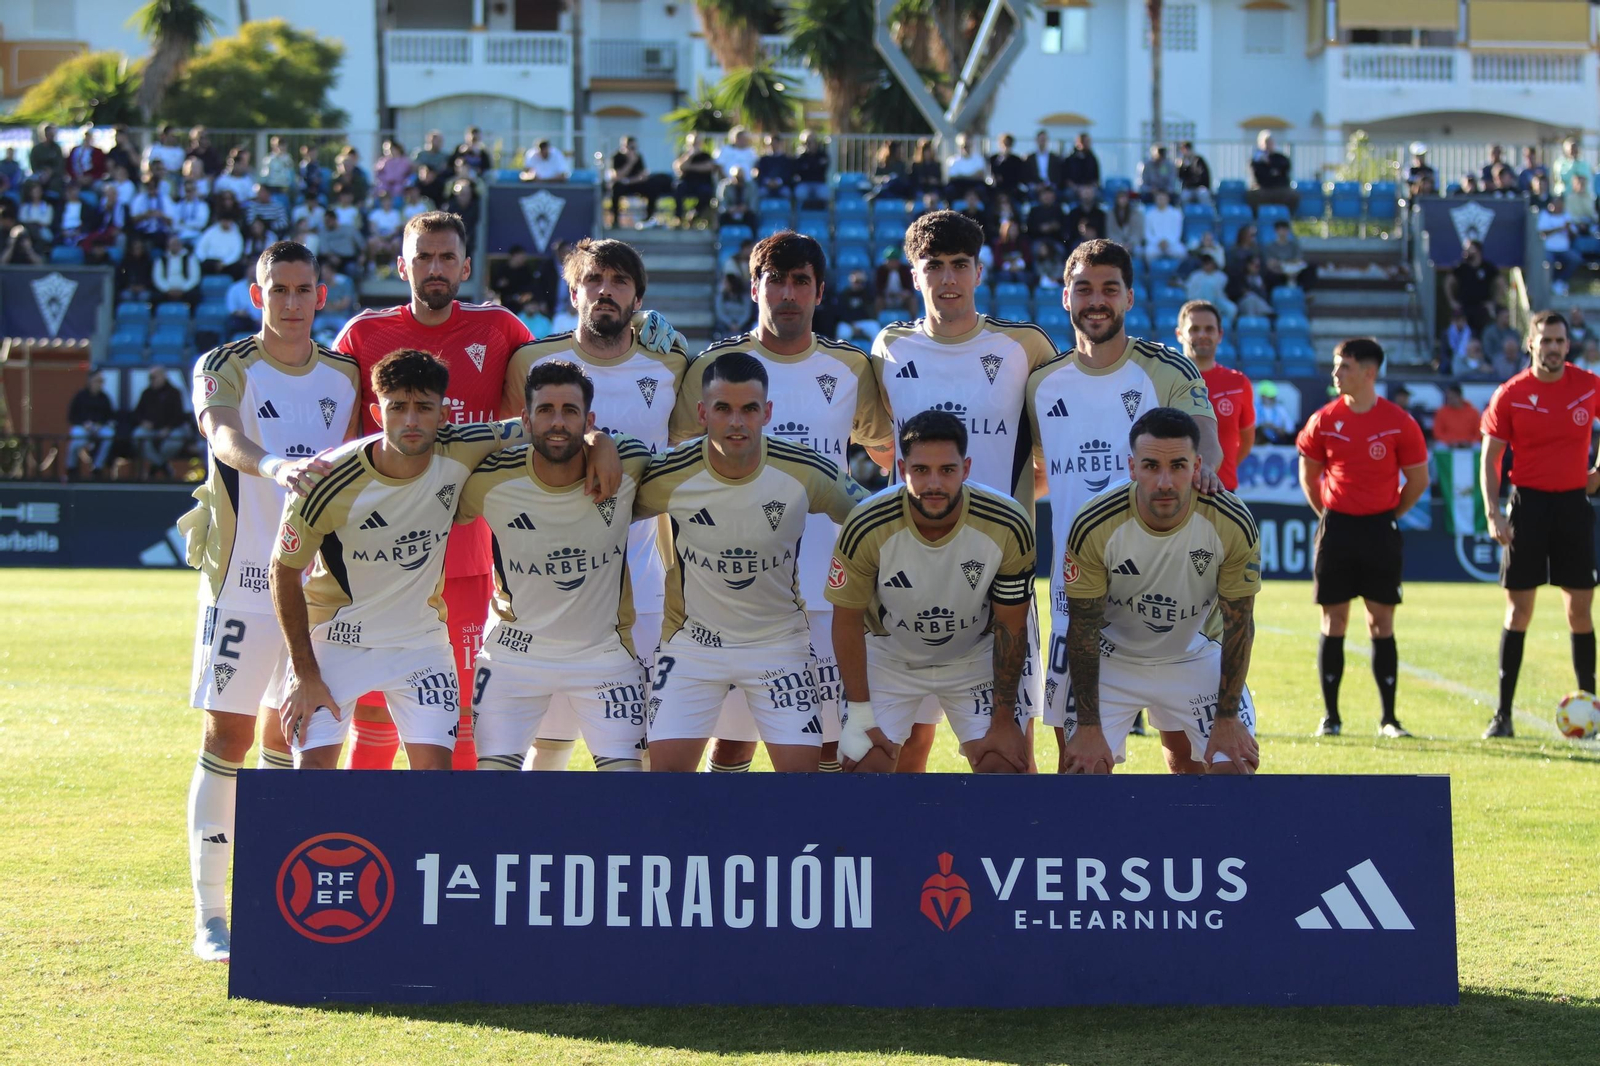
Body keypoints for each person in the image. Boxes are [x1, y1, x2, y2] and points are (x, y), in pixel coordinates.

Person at [181, 240, 361, 963]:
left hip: (318, 594)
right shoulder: (225, 365)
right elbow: (222, 436)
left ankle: (271, 899)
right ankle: (212, 916)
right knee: (227, 739)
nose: (290, 301)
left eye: (303, 289)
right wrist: (273, 463)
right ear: (258, 296)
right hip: (240, 587)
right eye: (277, 289)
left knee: (293, 739)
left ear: (322, 296)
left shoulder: (347, 377)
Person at [674, 233, 895, 774]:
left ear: (820, 292)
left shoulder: (850, 367)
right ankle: (732, 847)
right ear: (755, 288)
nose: (788, 294)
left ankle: (814, 850)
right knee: (732, 740)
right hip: (733, 590)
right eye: (776, 281)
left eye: (801, 282)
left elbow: (889, 453)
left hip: (828, 585)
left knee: (825, 739)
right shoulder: (717, 365)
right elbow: (677, 460)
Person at [332, 212, 537, 770]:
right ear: (402, 265)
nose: (436, 268)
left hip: (467, 555)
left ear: (467, 266)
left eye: (447, 257)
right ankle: (362, 836)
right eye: (423, 257)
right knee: (374, 716)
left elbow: (550, 397)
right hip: (381, 561)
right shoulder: (363, 335)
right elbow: (339, 441)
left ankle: (450, 846)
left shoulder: (501, 329)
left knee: (462, 713)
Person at [270, 349, 528, 774]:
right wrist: (304, 672)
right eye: (398, 408)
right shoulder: (325, 480)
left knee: (434, 782)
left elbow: (546, 426)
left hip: (420, 645)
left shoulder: (463, 449)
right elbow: (282, 570)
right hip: (334, 644)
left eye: (424, 408)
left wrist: (600, 442)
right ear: (377, 411)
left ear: (444, 414)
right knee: (311, 778)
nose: (411, 420)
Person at [872, 210, 1057, 771]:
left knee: (1009, 753)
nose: (947, 279)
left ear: (980, 272)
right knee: (908, 747)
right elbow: (882, 452)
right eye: (933, 266)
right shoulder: (888, 347)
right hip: (905, 577)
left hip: (1000, 581)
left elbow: (1052, 455)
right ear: (914, 275)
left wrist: (1007, 513)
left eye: (959, 266)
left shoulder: (1025, 347)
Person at [1027, 239, 1222, 760]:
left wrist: (1198, 468)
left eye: (1109, 289)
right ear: (1065, 296)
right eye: (1084, 288)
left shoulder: (1167, 370)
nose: (1096, 300)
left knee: (1191, 758)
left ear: (1130, 298)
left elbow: (1207, 443)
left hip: (1169, 585)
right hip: (1076, 591)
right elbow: (1042, 471)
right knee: (1079, 761)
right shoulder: (1041, 385)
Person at [501, 237, 692, 770]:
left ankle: (647, 848)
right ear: (572, 290)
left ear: (638, 298)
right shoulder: (533, 362)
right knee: (551, 734)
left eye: (620, 282)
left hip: (647, 572)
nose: (605, 291)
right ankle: (543, 847)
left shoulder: (671, 362)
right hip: (551, 573)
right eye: (593, 280)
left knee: (652, 731)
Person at [633, 352, 864, 771]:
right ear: (703, 412)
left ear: (767, 412)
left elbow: (870, 521)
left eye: (749, 409)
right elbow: (604, 509)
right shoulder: (670, 472)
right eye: (723, 409)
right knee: (663, 785)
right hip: (692, 646)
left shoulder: (803, 469)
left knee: (801, 783)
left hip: (778, 644)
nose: (736, 422)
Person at [456, 360, 654, 770]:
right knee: (492, 792)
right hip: (515, 654)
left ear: (590, 419)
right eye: (545, 410)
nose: (558, 422)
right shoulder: (490, 479)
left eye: (570, 411)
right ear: (525, 419)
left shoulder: (630, 462)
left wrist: (603, 443)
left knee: (629, 791)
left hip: (604, 653)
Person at [829, 409, 1035, 773]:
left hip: (972, 658)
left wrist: (1003, 719)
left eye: (948, 470)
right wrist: (860, 713)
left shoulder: (1008, 522)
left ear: (966, 468)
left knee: (1004, 767)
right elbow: (846, 621)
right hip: (890, 658)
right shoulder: (866, 523)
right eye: (921, 470)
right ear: (903, 469)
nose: (934, 484)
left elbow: (1011, 626)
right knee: (864, 767)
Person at [1059, 407, 1261, 775]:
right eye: (1151, 466)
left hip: (1195, 655)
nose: (1165, 482)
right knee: (1081, 773)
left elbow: (1240, 626)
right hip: (1113, 658)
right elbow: (1083, 629)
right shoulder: (1095, 523)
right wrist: (1088, 726)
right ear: (1132, 467)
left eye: (1179, 466)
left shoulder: (1231, 521)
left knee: (1235, 768)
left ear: (1197, 466)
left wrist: (1227, 718)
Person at [1296, 338, 1430, 739]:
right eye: (1337, 366)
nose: (1336, 374)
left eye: (1344, 367)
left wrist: (1387, 514)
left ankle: (1389, 718)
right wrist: (1330, 516)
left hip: (1379, 530)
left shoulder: (1398, 421)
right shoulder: (1323, 419)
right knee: (1333, 620)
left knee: (1381, 621)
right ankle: (1331, 718)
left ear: (1369, 373)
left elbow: (1418, 480)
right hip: (1337, 528)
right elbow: (1309, 474)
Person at [1478, 311, 1600, 738]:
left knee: (1579, 610)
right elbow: (1490, 458)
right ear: (1530, 343)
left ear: (1569, 345)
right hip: (1527, 507)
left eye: (1559, 341)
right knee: (1519, 610)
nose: (1552, 348)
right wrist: (1493, 512)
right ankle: (1503, 715)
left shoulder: (1588, 386)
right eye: (1545, 340)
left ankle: (1591, 707)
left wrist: (1598, 468)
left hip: (1573, 506)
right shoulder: (1511, 394)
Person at [1178, 301, 1253, 490]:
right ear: (1179, 334)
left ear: (1220, 335)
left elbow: (1246, 441)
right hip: (1175, 492)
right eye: (1194, 329)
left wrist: (1221, 469)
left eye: (1209, 329)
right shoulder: (1164, 380)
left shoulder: (1238, 383)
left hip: (1222, 492)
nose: (1202, 335)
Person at [129, 366, 190, 477]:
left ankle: (156, 465)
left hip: (170, 429)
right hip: (151, 429)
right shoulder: (147, 393)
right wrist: (143, 422)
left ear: (163, 376)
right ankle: (162, 465)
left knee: (175, 440)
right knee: (138, 435)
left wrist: (168, 428)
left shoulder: (174, 392)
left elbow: (179, 416)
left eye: (154, 377)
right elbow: (137, 413)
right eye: (150, 378)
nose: (152, 380)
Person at [608, 136, 669, 228]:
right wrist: (630, 162)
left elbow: (643, 175)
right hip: (622, 185)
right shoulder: (616, 157)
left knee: (652, 187)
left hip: (633, 183)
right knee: (616, 189)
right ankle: (615, 219)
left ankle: (648, 217)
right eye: (630, 147)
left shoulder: (638, 156)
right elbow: (617, 176)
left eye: (634, 148)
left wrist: (629, 181)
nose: (632, 150)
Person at [67, 371, 117, 477]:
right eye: (97, 381)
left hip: (99, 428)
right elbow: (71, 416)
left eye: (102, 381)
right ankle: (71, 467)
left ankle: (97, 467)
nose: (100, 384)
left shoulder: (104, 398)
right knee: (76, 440)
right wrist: (84, 424)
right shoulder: (80, 396)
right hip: (82, 427)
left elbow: (110, 416)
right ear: (90, 381)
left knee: (109, 435)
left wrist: (101, 424)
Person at [672, 133, 719, 225]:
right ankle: (679, 217)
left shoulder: (706, 155)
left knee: (707, 193)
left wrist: (689, 167)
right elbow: (680, 167)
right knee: (678, 187)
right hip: (687, 183)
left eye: (697, 143)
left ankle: (694, 215)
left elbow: (708, 167)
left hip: (702, 183)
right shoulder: (684, 155)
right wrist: (690, 156)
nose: (695, 145)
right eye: (693, 143)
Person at [1539, 196, 1581, 295]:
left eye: (1560, 204)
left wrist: (1569, 228)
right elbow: (1542, 232)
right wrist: (1559, 228)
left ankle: (1559, 282)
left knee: (1575, 259)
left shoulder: (1566, 215)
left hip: (1564, 249)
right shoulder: (1545, 215)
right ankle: (1548, 285)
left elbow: (1574, 235)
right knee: (1549, 262)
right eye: (1556, 204)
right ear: (1551, 205)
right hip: (1548, 249)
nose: (1558, 206)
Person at [1248, 130, 1295, 211]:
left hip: (1280, 189)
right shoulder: (1256, 160)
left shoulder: (1281, 158)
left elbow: (1285, 169)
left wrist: (1270, 164)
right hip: (1263, 190)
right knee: (1251, 196)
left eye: (1270, 142)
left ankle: (1286, 219)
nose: (1268, 145)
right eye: (1266, 142)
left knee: (1294, 196)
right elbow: (1259, 176)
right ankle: (1258, 219)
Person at [153, 233, 201, 308]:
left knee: (194, 296)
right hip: (167, 290)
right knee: (154, 297)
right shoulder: (161, 260)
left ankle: (191, 318)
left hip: (185, 289)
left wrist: (183, 289)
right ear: (168, 246)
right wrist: (167, 289)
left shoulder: (190, 258)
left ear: (181, 245)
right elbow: (157, 278)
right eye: (172, 244)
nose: (174, 246)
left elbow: (195, 277)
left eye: (176, 244)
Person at [1431, 383, 1480, 447]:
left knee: (1478, 446)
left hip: (1469, 443)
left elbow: (1478, 432)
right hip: (1448, 444)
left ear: (1459, 397)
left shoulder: (1473, 412)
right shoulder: (1441, 412)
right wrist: (1449, 441)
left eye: (1452, 397)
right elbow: (1437, 432)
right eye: (1448, 398)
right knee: (1440, 446)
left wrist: (1469, 442)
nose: (1450, 400)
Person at [943, 133, 988, 201]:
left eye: (968, 145)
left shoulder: (979, 159)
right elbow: (952, 177)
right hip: (959, 186)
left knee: (983, 189)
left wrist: (962, 175)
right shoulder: (953, 160)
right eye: (964, 146)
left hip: (974, 185)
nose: (967, 148)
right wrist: (972, 175)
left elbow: (980, 175)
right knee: (949, 190)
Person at [1142, 188, 1183, 261]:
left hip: (1172, 244)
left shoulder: (1176, 214)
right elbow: (1147, 233)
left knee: (1181, 252)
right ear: (1155, 200)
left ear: (1168, 199)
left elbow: (1177, 233)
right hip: (1155, 245)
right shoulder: (1149, 214)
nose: (1161, 200)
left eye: (1163, 198)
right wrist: (1157, 242)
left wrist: (1168, 242)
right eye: (1159, 198)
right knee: (1148, 253)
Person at [793, 130, 830, 205]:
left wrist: (808, 166)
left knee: (824, 193)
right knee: (800, 193)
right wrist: (815, 165)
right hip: (804, 183)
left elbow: (823, 169)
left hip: (819, 183)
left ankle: (822, 214)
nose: (810, 144)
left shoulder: (823, 155)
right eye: (808, 142)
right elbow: (798, 171)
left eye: (812, 141)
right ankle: (801, 214)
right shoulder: (800, 157)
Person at [989, 133, 1029, 199]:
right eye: (1004, 143)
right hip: (997, 189)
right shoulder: (993, 159)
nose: (1006, 146)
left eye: (1008, 144)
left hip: (1012, 190)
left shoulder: (1017, 160)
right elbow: (991, 173)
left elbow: (1019, 176)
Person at [1105, 188, 1144, 252]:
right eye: (1120, 197)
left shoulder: (1136, 213)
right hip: (1116, 245)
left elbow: (1137, 232)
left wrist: (1130, 244)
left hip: (1133, 245)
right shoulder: (1110, 214)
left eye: (1125, 197)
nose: (1123, 200)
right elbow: (1110, 232)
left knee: (1139, 251)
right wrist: (1120, 244)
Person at [1026, 130, 1063, 194]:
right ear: (1036, 140)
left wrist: (1050, 185)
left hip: (1051, 187)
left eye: (1044, 139)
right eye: (1041, 139)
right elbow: (1027, 176)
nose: (1042, 142)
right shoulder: (1030, 158)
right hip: (1035, 188)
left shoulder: (1055, 158)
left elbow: (1058, 175)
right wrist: (1035, 186)